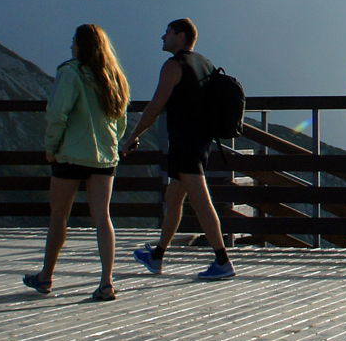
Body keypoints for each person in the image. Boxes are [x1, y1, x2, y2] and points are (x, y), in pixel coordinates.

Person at [120, 18, 235, 280]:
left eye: (168, 33)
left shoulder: (173, 66)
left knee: (202, 203)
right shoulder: (205, 64)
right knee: (173, 199)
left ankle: (223, 261)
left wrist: (133, 136)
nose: (163, 37)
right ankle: (157, 256)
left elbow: (155, 106)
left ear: (180, 36)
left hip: (185, 144)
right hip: (201, 143)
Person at [23, 24, 130, 301]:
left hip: (71, 153)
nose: (70, 46)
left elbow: (58, 112)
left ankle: (46, 276)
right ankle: (106, 282)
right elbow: (121, 120)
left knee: (59, 215)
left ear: (81, 45)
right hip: (104, 157)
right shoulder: (114, 76)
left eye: (73, 42)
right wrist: (113, 145)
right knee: (103, 217)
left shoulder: (70, 72)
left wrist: (51, 146)